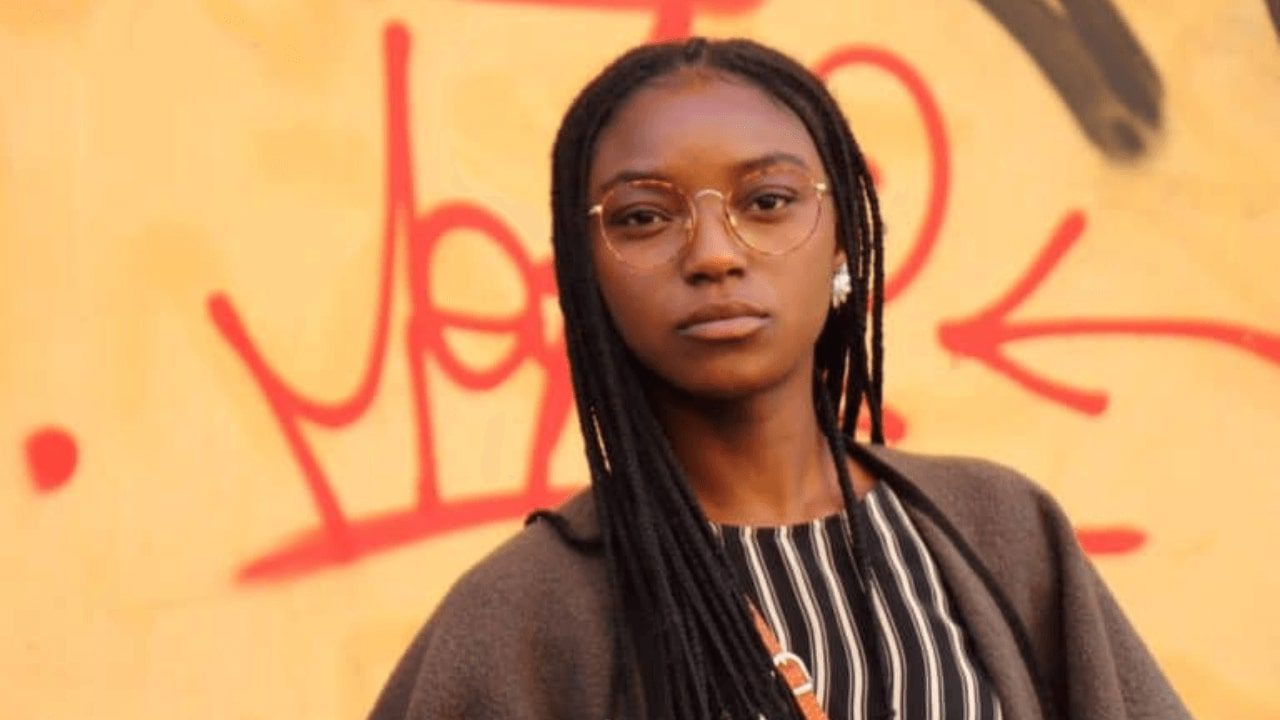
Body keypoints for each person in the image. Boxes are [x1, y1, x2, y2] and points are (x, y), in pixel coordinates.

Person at [368, 37, 1191, 720]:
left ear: (843, 240)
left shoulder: (997, 533)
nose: (714, 255)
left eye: (767, 201)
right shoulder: (525, 615)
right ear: (585, 271)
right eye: (644, 217)